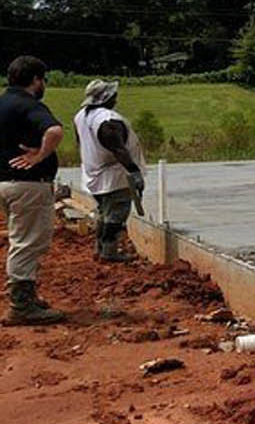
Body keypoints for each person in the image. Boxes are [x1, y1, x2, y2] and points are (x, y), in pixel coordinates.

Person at [1, 55, 66, 325]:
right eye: (43, 80)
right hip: (28, 186)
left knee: (22, 239)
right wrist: (40, 155)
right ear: (36, 80)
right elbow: (55, 130)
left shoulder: (2, 103)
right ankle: (21, 305)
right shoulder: (28, 104)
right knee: (27, 243)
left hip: (5, 183)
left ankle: (26, 296)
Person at [73, 79, 146, 262]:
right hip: (114, 176)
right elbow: (119, 149)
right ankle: (109, 251)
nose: (116, 98)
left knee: (104, 212)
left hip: (93, 174)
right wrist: (134, 172)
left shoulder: (81, 116)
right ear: (107, 98)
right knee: (116, 214)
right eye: (113, 96)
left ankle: (100, 249)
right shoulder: (108, 121)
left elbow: (80, 143)